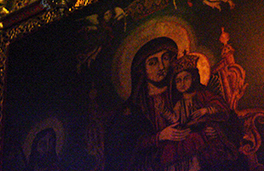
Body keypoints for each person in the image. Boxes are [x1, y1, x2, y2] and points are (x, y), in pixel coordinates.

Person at [104, 37, 191, 171]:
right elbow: (125, 148)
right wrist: (159, 137)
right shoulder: (132, 108)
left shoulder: (182, 93)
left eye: (165, 58)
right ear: (142, 69)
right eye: (153, 62)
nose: (161, 66)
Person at [160, 53, 243, 171]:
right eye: (178, 80)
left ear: (193, 77)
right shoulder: (179, 104)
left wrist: (205, 111)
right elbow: (177, 121)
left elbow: (222, 109)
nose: (182, 83)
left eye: (186, 78)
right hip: (189, 138)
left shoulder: (204, 94)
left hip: (207, 135)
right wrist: (164, 112)